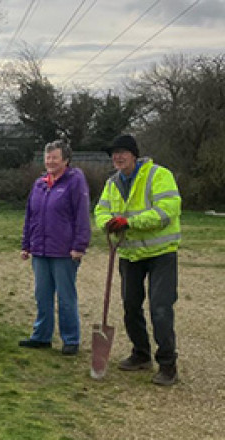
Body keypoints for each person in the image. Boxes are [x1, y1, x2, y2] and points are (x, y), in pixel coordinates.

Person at [94, 134, 181, 386]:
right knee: (131, 306)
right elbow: (101, 210)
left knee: (160, 308)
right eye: (114, 154)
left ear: (134, 154)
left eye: (122, 152)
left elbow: (167, 209)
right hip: (130, 254)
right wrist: (107, 224)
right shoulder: (113, 183)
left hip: (161, 252)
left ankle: (168, 364)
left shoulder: (158, 175)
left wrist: (130, 222)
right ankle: (141, 353)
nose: (117, 157)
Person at [19, 139, 91, 355]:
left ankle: (70, 339)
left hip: (64, 251)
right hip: (40, 250)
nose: (50, 161)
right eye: (47, 157)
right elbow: (30, 215)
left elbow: (81, 215)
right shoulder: (39, 183)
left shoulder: (75, 181)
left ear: (65, 160)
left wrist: (79, 245)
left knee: (66, 297)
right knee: (42, 295)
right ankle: (41, 336)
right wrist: (26, 244)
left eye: (54, 157)